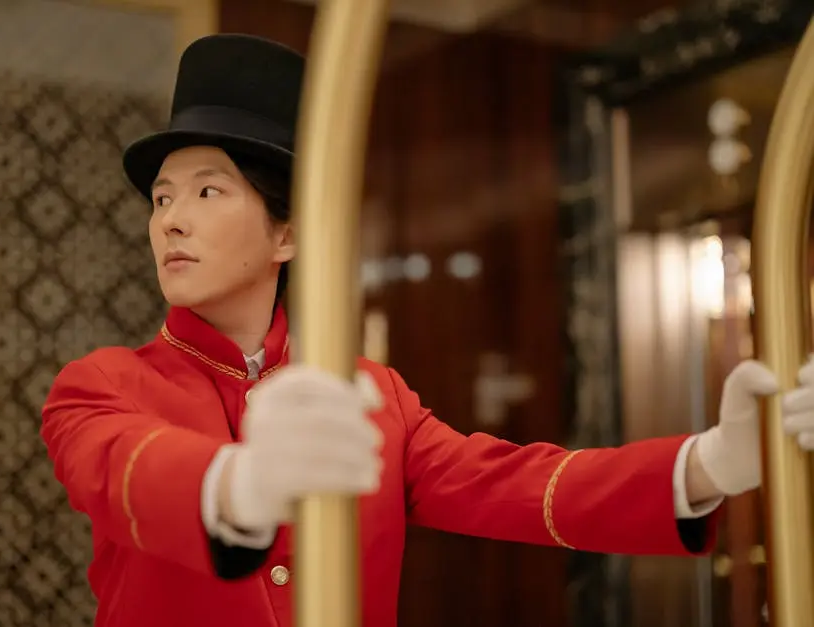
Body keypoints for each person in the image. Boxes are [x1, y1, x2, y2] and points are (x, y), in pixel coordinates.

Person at [40, 33, 814, 627]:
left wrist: (708, 462)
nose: (171, 218)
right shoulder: (98, 387)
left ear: (289, 234)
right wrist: (239, 484)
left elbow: (516, 484)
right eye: (162, 198)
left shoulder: (372, 396)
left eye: (207, 190)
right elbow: (130, 470)